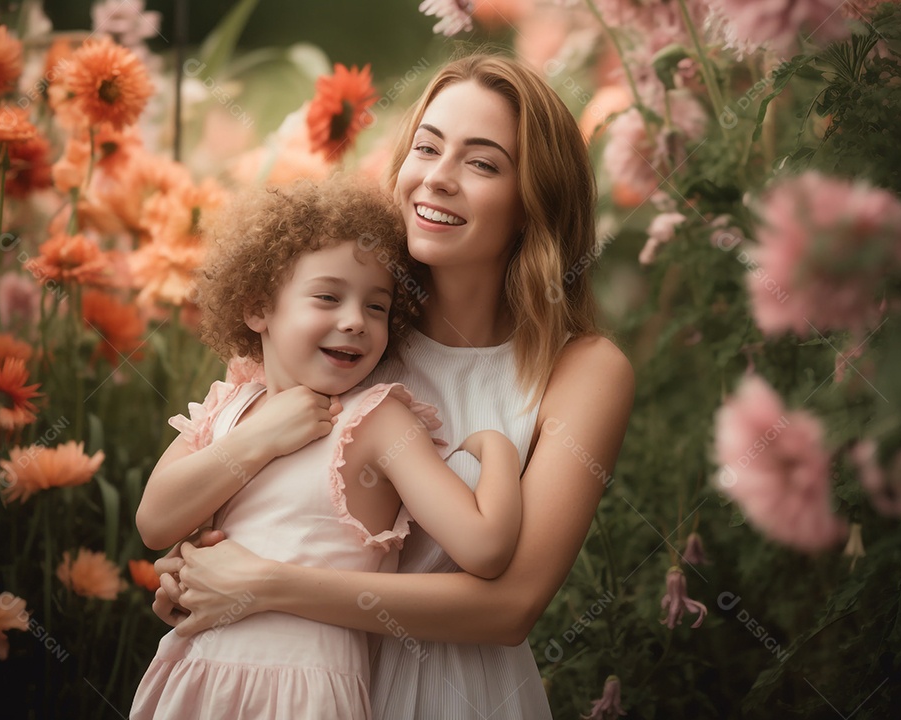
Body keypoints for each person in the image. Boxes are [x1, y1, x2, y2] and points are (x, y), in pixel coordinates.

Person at [151, 54, 635, 719]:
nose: (438, 178)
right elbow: (235, 488)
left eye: (482, 163)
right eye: (427, 148)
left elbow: (509, 608)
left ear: (533, 204)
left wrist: (265, 584)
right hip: (300, 688)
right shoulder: (348, 333)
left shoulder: (582, 369)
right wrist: (194, 572)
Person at [130, 176, 525, 720]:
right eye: (327, 296)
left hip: (304, 693)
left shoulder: (378, 421)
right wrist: (261, 436)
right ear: (257, 308)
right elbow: (155, 521)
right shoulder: (229, 409)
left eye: (377, 307)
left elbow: (484, 549)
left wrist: (499, 448)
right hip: (195, 675)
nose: (354, 321)